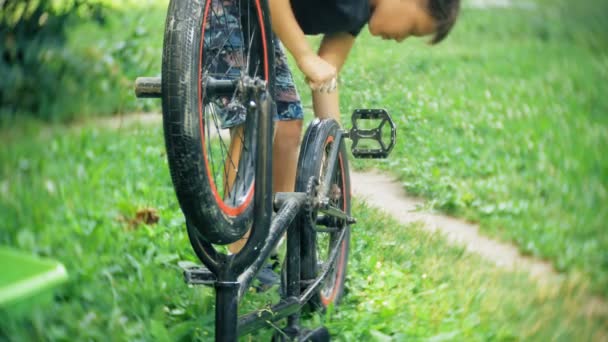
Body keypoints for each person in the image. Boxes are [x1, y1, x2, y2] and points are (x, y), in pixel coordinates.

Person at [220, 0, 460, 288]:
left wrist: (331, 161)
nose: (399, 39)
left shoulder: (356, 17)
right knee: (255, 119)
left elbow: (326, 77)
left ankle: (263, 247)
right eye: (411, 29)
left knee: (288, 123)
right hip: (225, 7)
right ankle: (234, 251)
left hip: (256, 20)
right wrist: (304, 55)